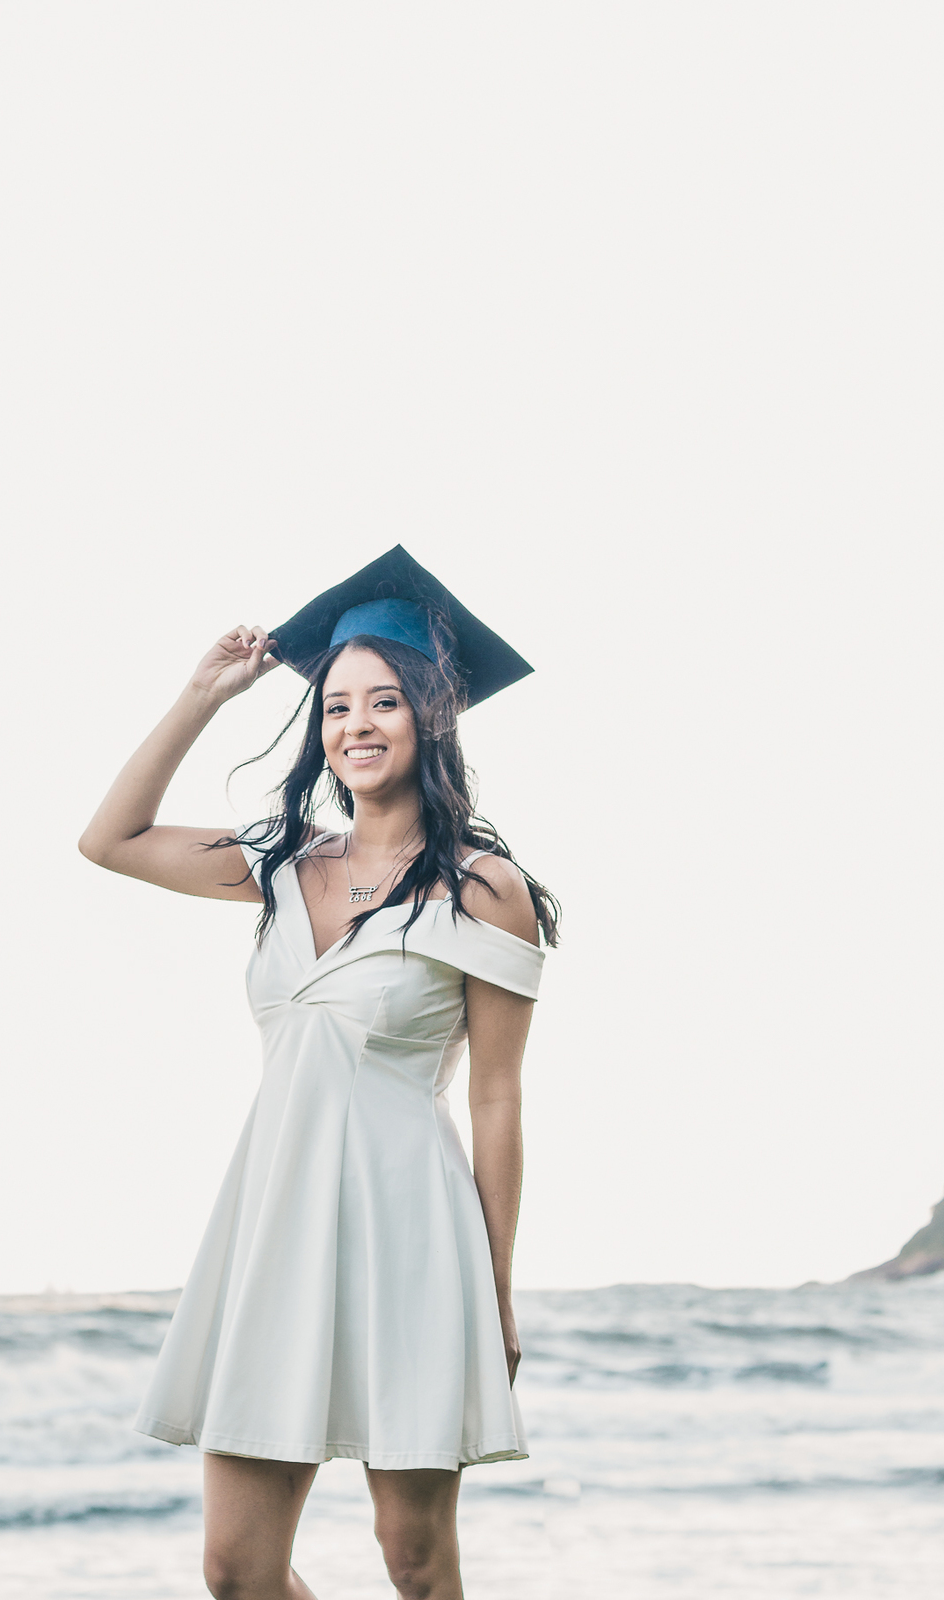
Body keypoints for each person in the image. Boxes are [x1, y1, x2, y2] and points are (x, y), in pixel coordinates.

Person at [78, 548, 559, 1600]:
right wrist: (202, 695)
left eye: (385, 701)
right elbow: (109, 840)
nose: (357, 726)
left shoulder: (485, 890)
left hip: (413, 1237)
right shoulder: (282, 864)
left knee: (414, 1560)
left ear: (434, 714)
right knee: (237, 1571)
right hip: (274, 1226)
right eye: (337, 707)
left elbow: (497, 1098)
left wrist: (497, 1292)